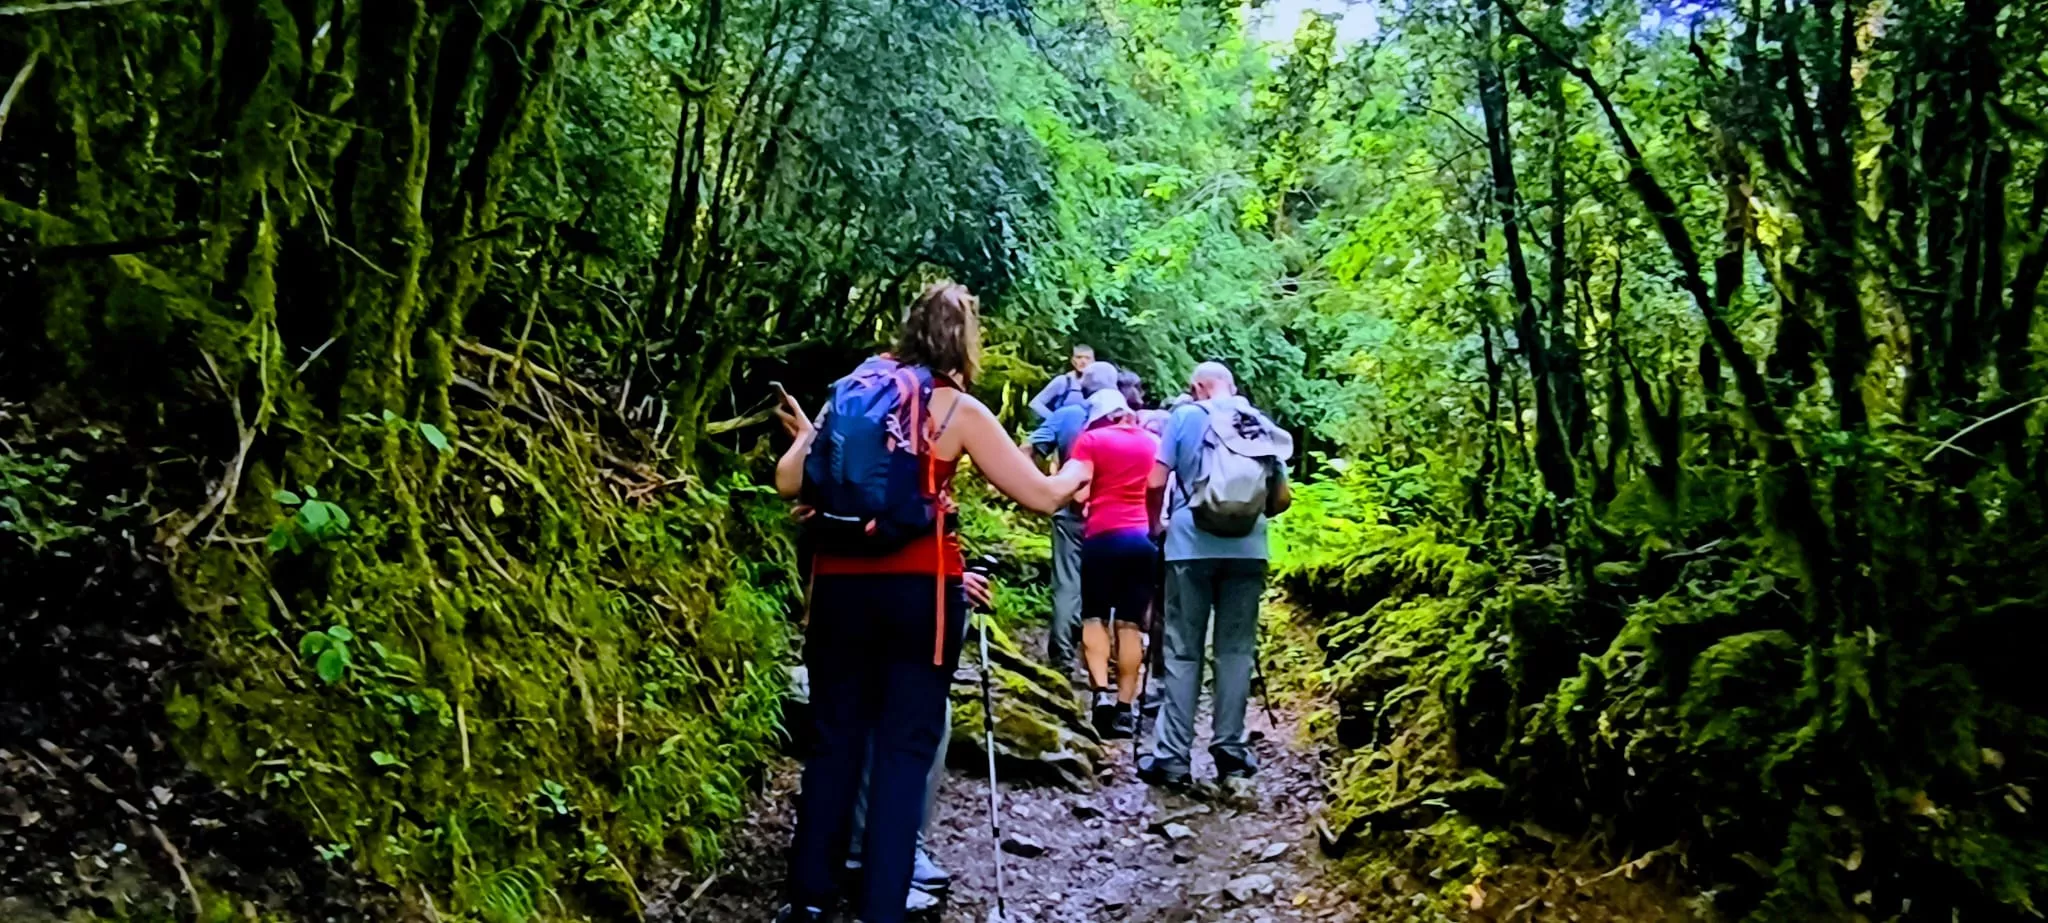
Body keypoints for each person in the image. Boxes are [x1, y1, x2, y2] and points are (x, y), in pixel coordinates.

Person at [771, 282, 1089, 923]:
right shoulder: (958, 411)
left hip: (838, 586)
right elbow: (1042, 496)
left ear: (908, 329)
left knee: (833, 741)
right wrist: (1080, 470)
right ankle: (881, 905)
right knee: (903, 748)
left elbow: (786, 480)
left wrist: (813, 439)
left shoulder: (852, 392)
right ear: (965, 342)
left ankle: (806, 900)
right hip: (920, 593)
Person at [1139, 362, 1293, 793]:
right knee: (1236, 651)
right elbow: (1280, 498)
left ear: (1195, 388)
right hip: (1248, 549)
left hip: (1191, 545)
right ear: (1232, 388)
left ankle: (1172, 758)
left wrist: (1157, 524)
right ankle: (1230, 752)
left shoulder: (1185, 416)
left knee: (1184, 651)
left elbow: (1156, 480)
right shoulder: (1255, 421)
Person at [1065, 388, 1163, 739]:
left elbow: (1078, 493)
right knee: (1129, 625)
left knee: (1093, 616)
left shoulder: (1091, 440)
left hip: (1101, 539)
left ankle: (1101, 698)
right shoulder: (1153, 442)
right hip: (1140, 541)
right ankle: (1125, 708)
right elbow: (1157, 487)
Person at [1024, 360, 1122, 671]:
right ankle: (1101, 664)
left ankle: (1063, 657)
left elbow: (1029, 450)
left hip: (1069, 512)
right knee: (1108, 588)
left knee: (1067, 584)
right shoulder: (1125, 420)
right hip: (1113, 516)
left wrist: (1040, 488)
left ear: (1082, 386)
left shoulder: (1066, 416)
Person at [1027, 343, 1096, 420]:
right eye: (1079, 357)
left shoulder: (1097, 384)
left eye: (1087, 358)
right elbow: (1035, 404)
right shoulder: (1064, 381)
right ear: (1072, 360)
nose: (1083, 361)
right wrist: (1055, 420)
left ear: (1094, 361)